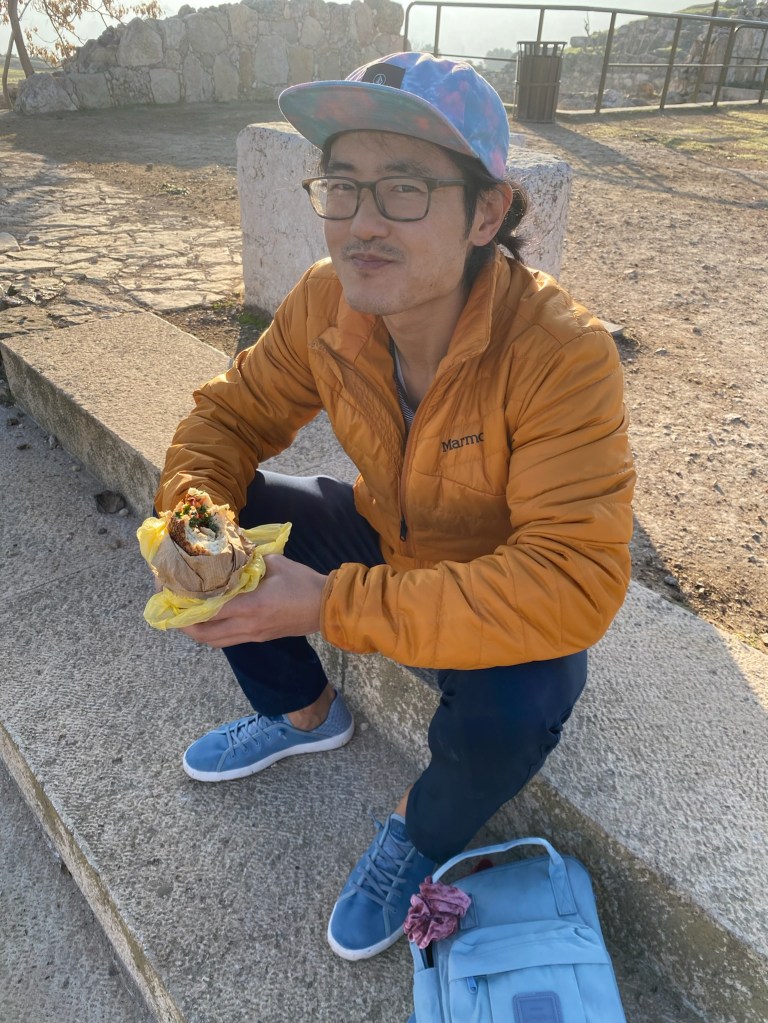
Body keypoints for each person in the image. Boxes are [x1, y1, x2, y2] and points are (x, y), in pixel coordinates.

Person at [154, 51, 635, 963]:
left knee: (524, 702)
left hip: (498, 592)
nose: (362, 223)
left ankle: (420, 832)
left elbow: (573, 576)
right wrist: (195, 521)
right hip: (388, 535)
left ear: (487, 213)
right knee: (227, 516)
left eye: (405, 189)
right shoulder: (327, 303)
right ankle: (302, 711)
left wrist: (332, 603)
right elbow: (228, 417)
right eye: (342, 186)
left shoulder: (561, 353)